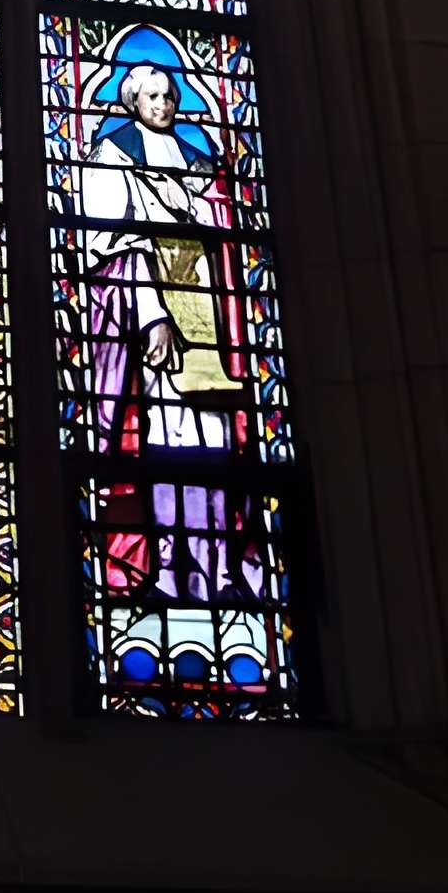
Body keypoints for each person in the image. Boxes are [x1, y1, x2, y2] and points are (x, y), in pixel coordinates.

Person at [77, 35, 256, 608]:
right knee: (167, 442)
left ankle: (218, 569)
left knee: (215, 442)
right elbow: (107, 246)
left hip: (207, 324)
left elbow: (222, 234)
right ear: (132, 103)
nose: (163, 105)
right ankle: (170, 569)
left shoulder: (196, 164)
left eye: (169, 95)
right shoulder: (113, 158)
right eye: (151, 96)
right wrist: (151, 314)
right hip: (154, 326)